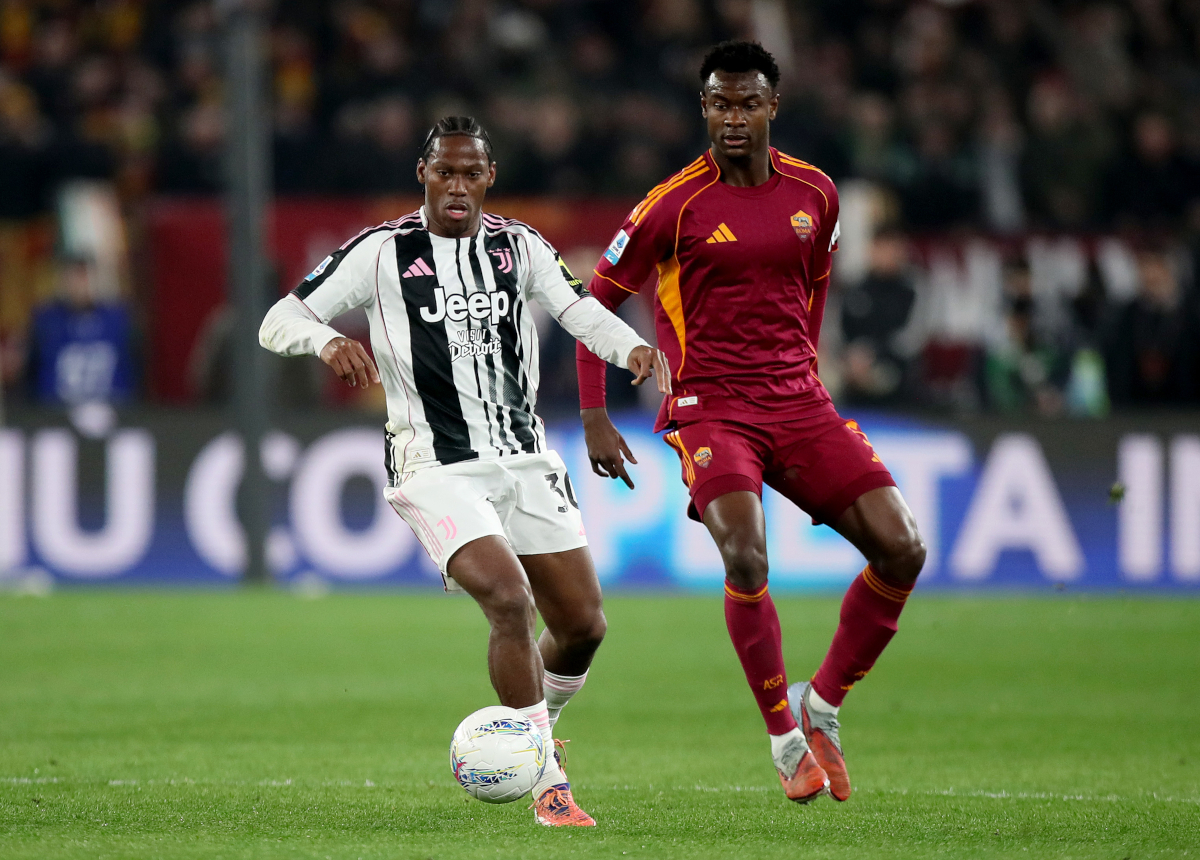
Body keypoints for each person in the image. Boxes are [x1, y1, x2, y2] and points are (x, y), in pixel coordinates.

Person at [260, 116, 670, 827]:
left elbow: (579, 310)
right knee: (509, 599)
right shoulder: (381, 252)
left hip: (525, 456)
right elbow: (278, 320)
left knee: (582, 625)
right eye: (443, 172)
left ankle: (532, 724)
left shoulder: (519, 245)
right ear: (423, 175)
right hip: (435, 465)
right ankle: (547, 779)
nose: (456, 185)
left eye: (469, 173)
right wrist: (327, 340)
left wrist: (632, 350)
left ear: (488, 179)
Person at [576, 42, 926, 804]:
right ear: (703, 109)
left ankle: (823, 703)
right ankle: (784, 739)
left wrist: (812, 379)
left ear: (774, 106)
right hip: (710, 405)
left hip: (799, 401)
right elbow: (590, 306)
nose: (733, 117)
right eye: (719, 104)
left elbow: (814, 288)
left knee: (903, 549)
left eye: (747, 103)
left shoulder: (818, 194)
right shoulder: (671, 204)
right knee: (745, 555)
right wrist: (595, 416)